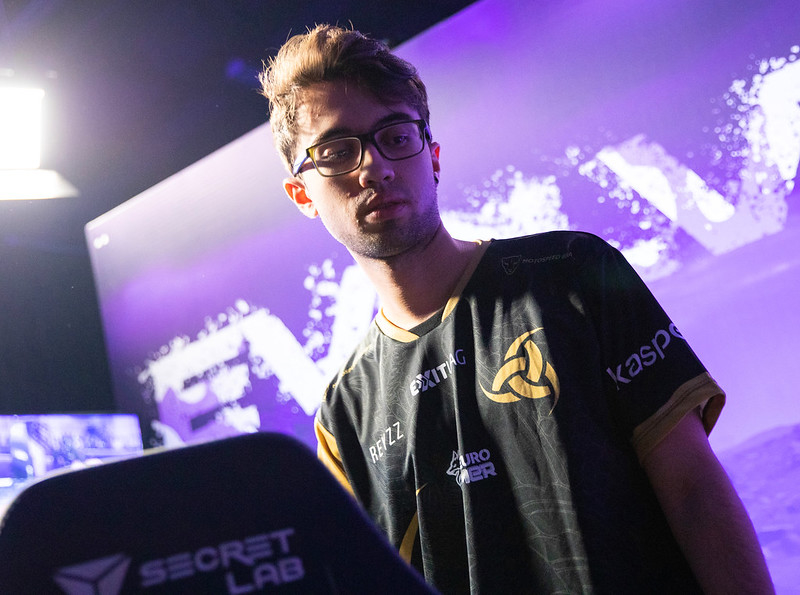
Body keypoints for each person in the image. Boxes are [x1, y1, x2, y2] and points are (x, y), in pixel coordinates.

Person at [259, 24, 774, 594]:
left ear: (433, 158)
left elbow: (694, 493)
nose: (375, 167)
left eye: (396, 136)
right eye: (336, 152)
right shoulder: (343, 415)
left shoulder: (573, 271)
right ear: (302, 194)